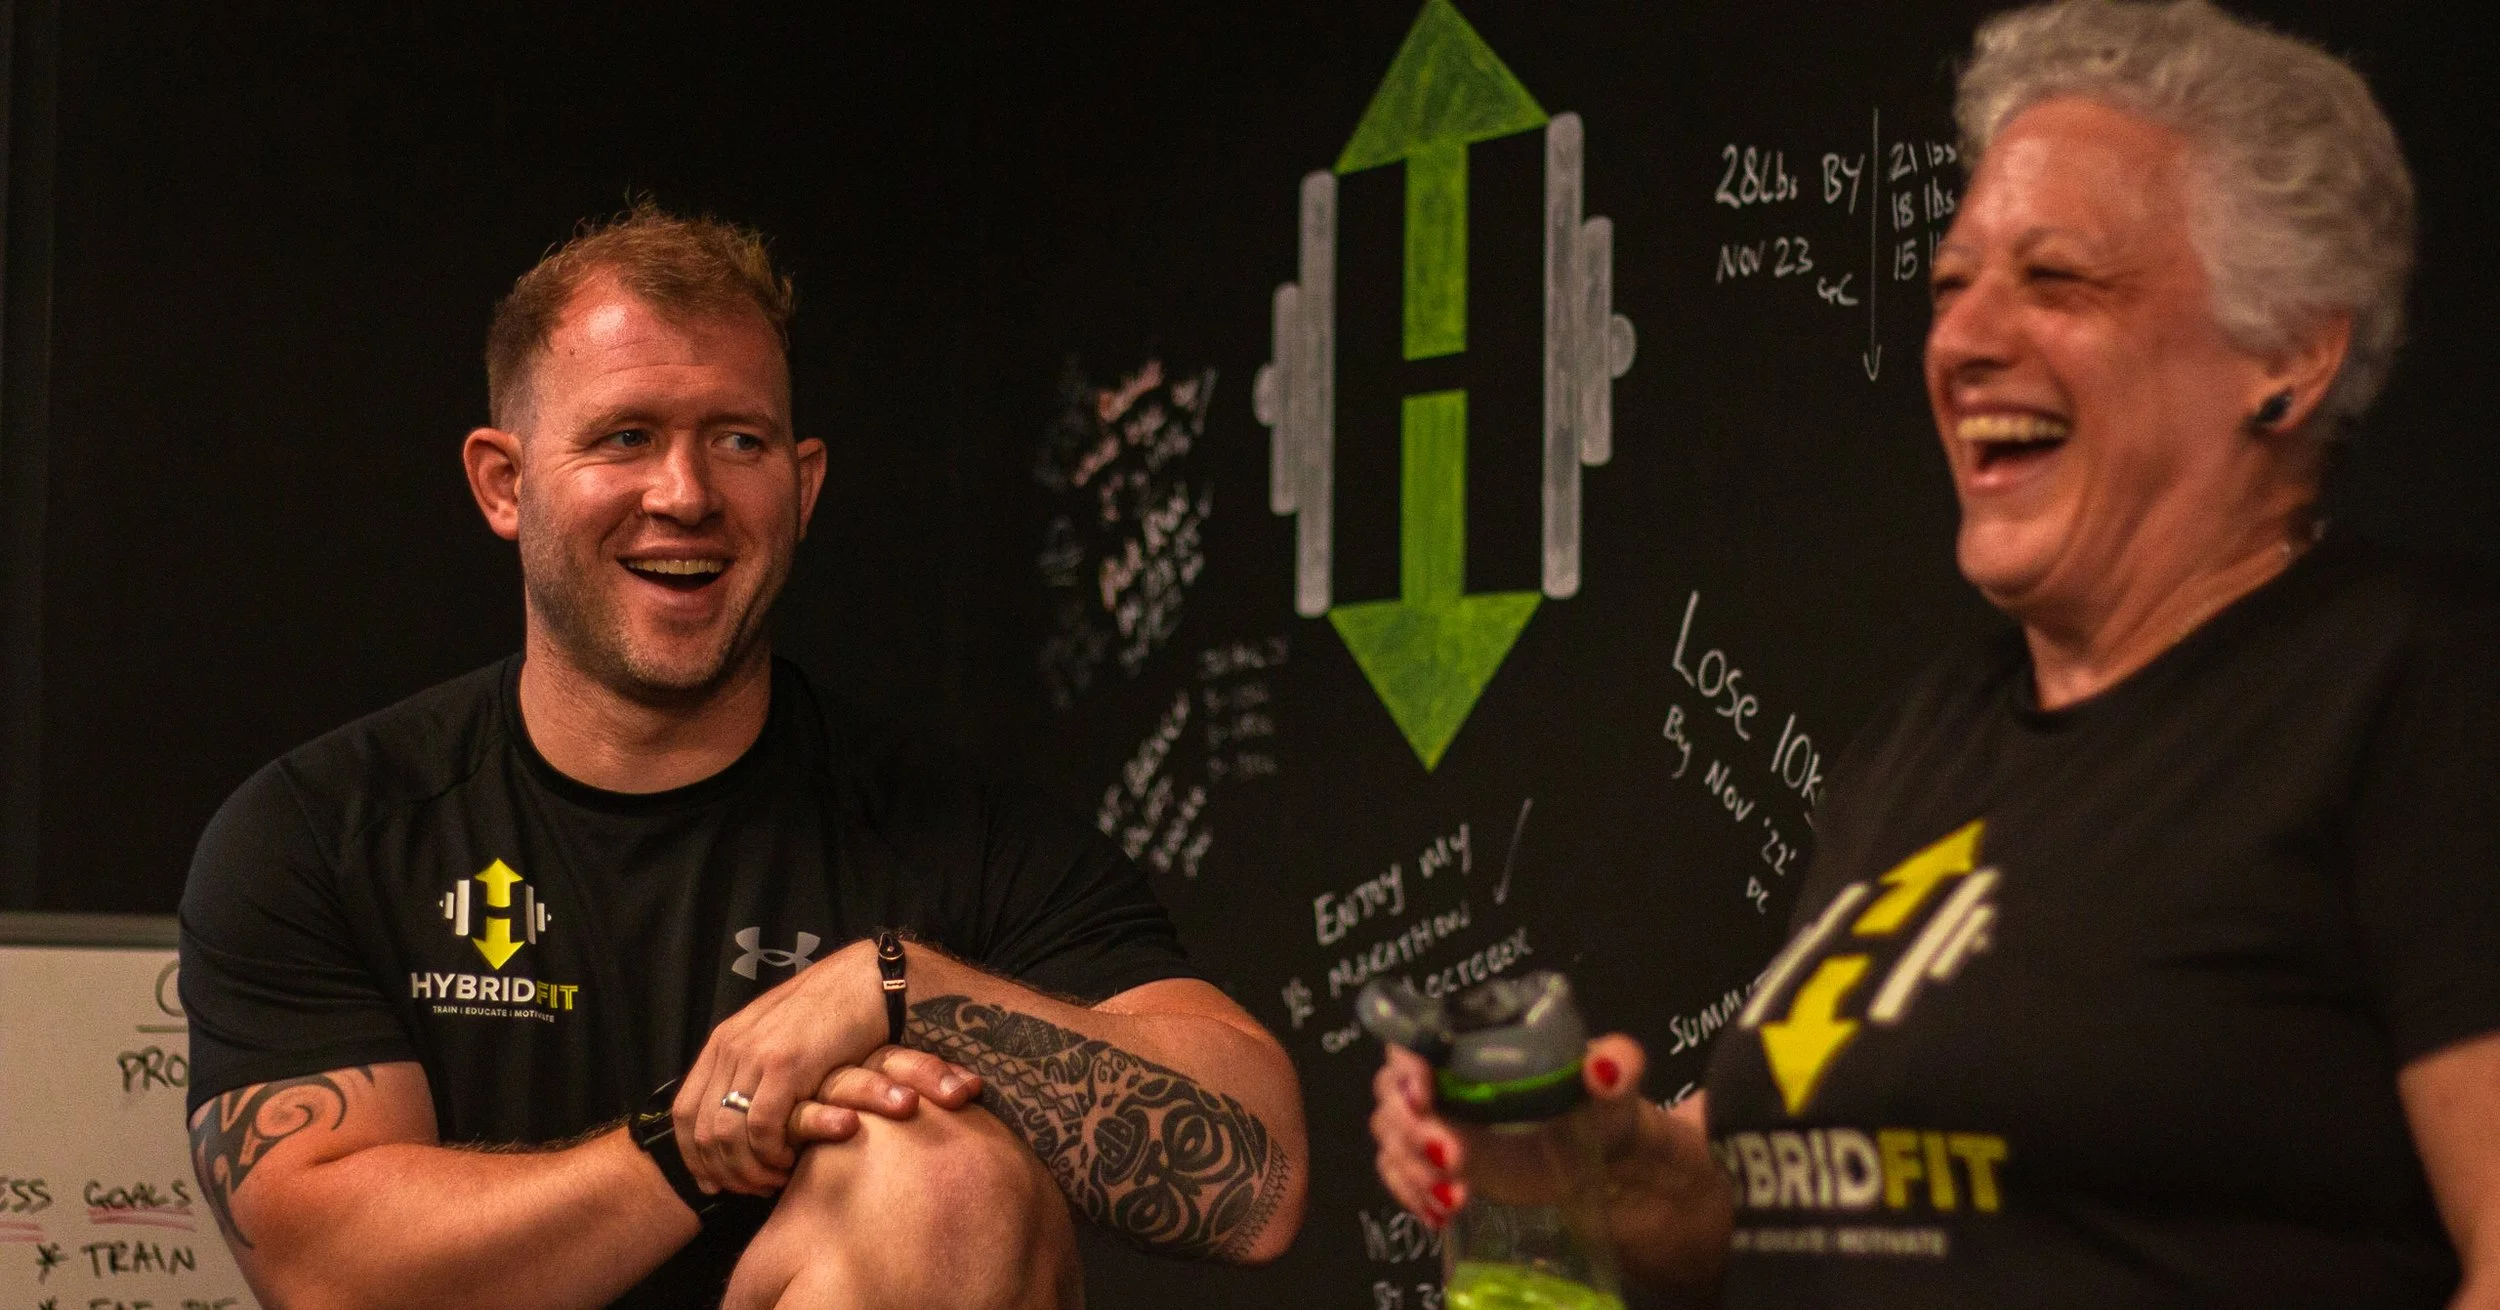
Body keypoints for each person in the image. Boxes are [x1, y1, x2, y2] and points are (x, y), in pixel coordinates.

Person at [1371, 2, 2500, 1305]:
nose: (1962, 342)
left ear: (2287, 350)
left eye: (2056, 279)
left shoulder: (2421, 691)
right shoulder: (1919, 745)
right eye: (1952, 286)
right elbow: (1793, 1222)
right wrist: (1604, 1166)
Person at [178, 205, 1307, 1310]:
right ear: (503, 483)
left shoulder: (958, 837)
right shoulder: (325, 830)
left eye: (739, 441)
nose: (686, 495)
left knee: (943, 1174)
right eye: (626, 436)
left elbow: (1259, 1185)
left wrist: (903, 990)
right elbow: (330, 1269)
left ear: (803, 487)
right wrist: (687, 1149)